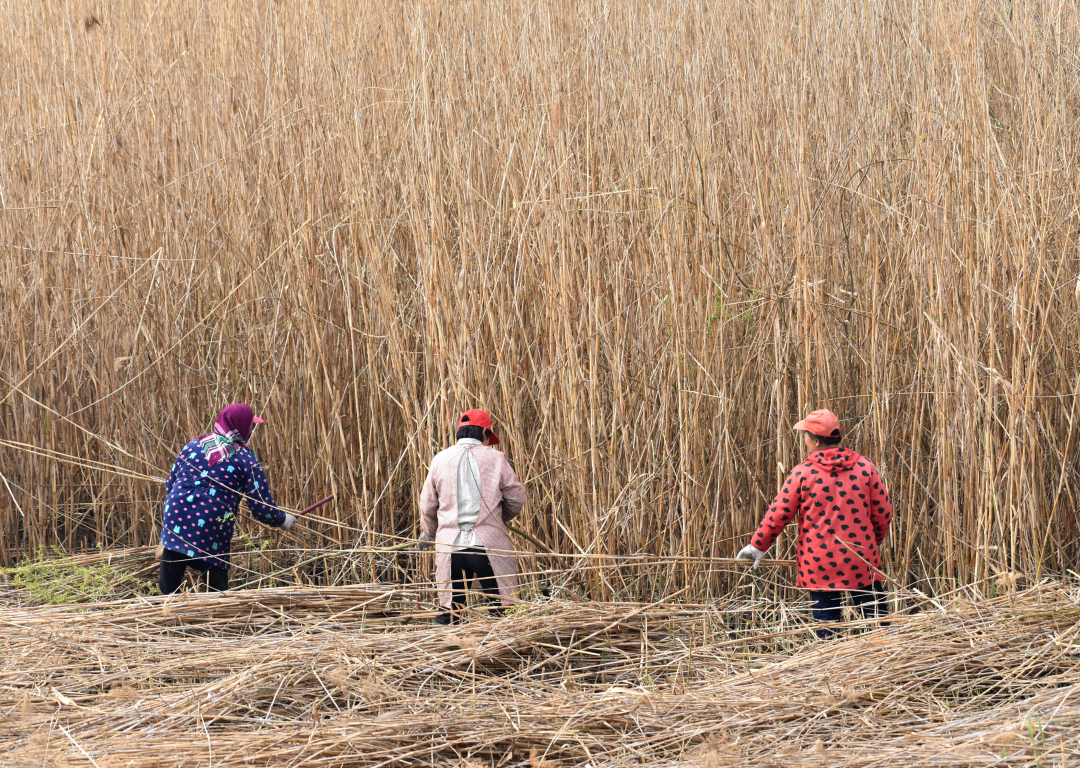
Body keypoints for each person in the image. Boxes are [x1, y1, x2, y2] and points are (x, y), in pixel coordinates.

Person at [736, 409, 893, 637]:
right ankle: (884, 663)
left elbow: (779, 513)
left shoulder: (803, 473)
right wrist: (870, 543)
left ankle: (830, 668)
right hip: (860, 559)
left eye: (806, 436)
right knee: (876, 620)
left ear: (816, 441)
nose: (805, 441)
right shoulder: (865, 467)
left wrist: (757, 546)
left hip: (820, 563)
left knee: (827, 625)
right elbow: (883, 512)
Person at [159, 403, 295, 594]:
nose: (252, 430)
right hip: (210, 529)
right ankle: (214, 621)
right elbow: (261, 507)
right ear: (243, 428)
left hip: (174, 520)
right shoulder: (246, 460)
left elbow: (170, 485)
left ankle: (164, 618)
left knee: (168, 592)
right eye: (252, 426)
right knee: (216, 594)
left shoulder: (193, 446)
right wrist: (282, 520)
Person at [418, 409, 527, 625]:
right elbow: (516, 497)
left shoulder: (440, 459)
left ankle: (444, 652)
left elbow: (428, 505)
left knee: (449, 611)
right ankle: (500, 653)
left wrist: (430, 533)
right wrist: (497, 520)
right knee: (501, 610)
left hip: (450, 548)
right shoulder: (497, 458)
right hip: (488, 545)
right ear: (485, 433)